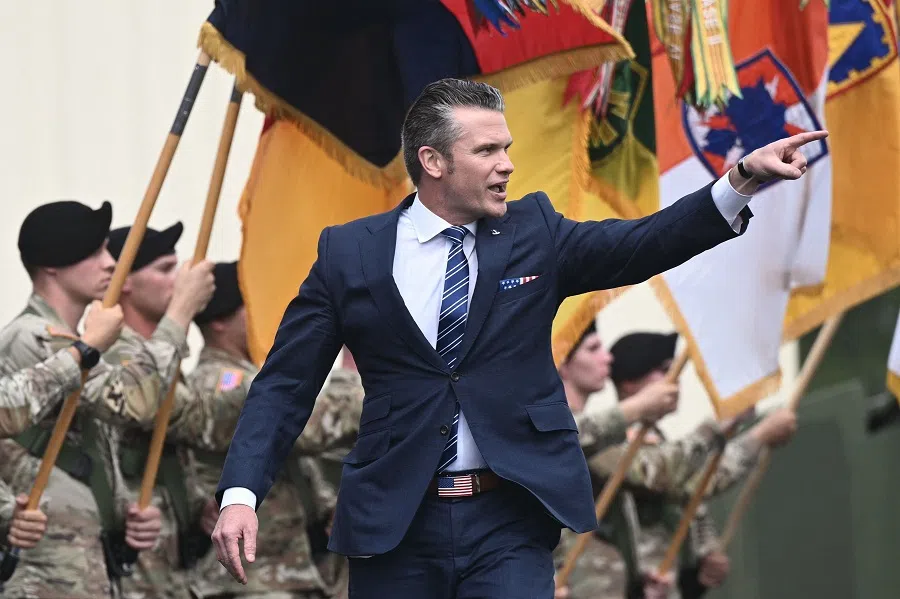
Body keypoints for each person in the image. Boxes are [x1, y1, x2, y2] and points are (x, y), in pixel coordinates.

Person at [212, 78, 826, 598]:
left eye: (506, 148)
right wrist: (241, 494)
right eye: (487, 151)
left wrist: (739, 180)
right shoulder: (349, 253)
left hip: (508, 521)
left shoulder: (535, 232)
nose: (507, 163)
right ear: (434, 162)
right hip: (393, 523)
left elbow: (640, 245)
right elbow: (285, 384)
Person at [0, 200, 193, 598]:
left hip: (82, 564)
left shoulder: (75, 339)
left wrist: (126, 510)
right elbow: (138, 402)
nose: (110, 263)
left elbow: (88, 444)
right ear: (52, 264)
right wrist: (178, 315)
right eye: (93, 253)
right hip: (47, 571)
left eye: (108, 250)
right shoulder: (36, 339)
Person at [555, 329, 796, 599]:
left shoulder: (602, 435)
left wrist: (702, 552)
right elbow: (665, 475)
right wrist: (742, 430)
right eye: (593, 348)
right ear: (564, 363)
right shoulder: (569, 437)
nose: (607, 358)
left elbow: (685, 492)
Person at [184, 261, 363, 599]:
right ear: (220, 321)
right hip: (254, 577)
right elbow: (305, 428)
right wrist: (350, 369)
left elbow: (294, 471)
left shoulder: (249, 375)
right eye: (251, 306)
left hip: (293, 572)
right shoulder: (223, 383)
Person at [101, 222, 215, 599]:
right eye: (165, 269)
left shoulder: (164, 353)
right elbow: (184, 415)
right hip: (135, 555)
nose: (178, 280)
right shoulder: (115, 350)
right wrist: (182, 311)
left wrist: (201, 505)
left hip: (173, 555)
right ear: (125, 282)